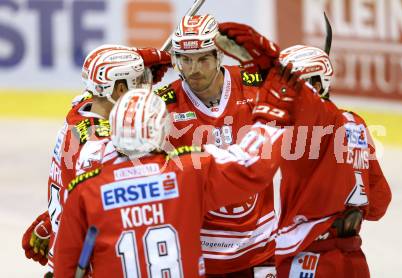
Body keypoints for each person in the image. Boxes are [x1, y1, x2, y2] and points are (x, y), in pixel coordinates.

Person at [53, 88, 285, 277]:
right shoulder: (189, 172)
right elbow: (253, 167)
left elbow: (65, 268)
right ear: (162, 128)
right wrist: (275, 111)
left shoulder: (85, 191)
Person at [21, 45, 171, 275]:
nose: (147, 90)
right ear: (120, 88)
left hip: (65, 249)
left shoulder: (80, 110)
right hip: (86, 264)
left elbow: (75, 195)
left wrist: (50, 220)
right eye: (140, 82)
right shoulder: (102, 147)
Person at [154, 14, 280, 276]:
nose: (194, 69)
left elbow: (301, 99)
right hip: (201, 251)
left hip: (259, 245)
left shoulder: (254, 87)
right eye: (185, 60)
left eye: (203, 59)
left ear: (219, 56)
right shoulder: (162, 106)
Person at [275, 44, 392, 277]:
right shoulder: (355, 123)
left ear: (316, 86)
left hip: (307, 258)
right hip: (353, 260)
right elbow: (380, 201)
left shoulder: (300, 130)